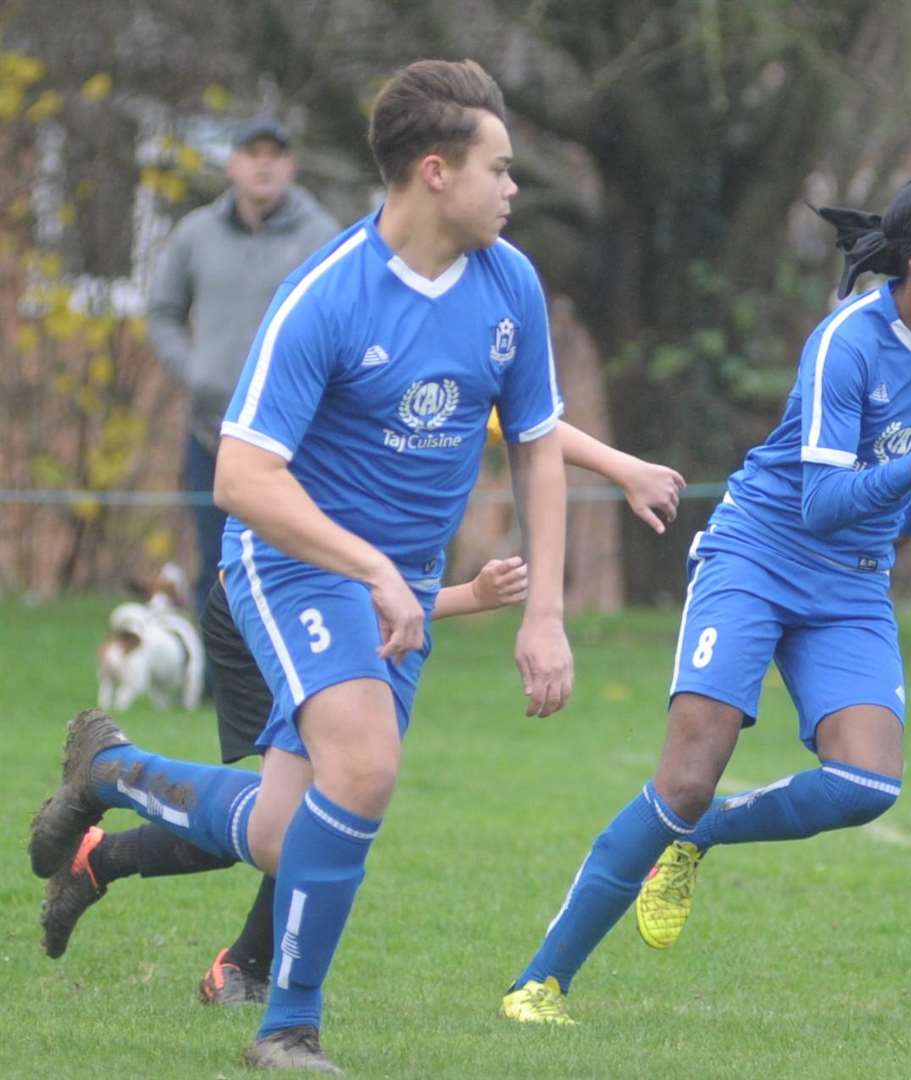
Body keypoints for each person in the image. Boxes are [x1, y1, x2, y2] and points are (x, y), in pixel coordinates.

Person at [28, 59, 573, 1073]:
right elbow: (240, 477)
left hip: (389, 578)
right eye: (500, 168)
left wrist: (544, 612)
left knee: (287, 834)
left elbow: (538, 440)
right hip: (290, 561)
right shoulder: (327, 293)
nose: (514, 189)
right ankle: (288, 1027)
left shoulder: (511, 284)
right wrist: (369, 566)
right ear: (435, 171)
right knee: (363, 769)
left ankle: (111, 771)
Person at [499, 173, 911, 1024]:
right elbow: (820, 500)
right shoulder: (846, 343)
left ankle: (696, 841)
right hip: (759, 551)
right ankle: (540, 982)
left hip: (850, 580)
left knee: (867, 785)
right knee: (687, 778)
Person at [38, 420, 686, 1005]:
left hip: (358, 612)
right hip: (274, 597)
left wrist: (620, 468)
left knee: (307, 814)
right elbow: (347, 581)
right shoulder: (349, 354)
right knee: (298, 820)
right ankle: (122, 791)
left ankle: (125, 867)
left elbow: (527, 425)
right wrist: (469, 594)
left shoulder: (453, 356)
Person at [148, 117, 341, 633]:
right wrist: (194, 371)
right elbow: (162, 312)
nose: (263, 163)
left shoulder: (322, 235)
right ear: (232, 163)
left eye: (274, 154)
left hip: (293, 441)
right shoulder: (195, 234)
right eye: (251, 153)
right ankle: (212, 689)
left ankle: (285, 678)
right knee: (215, 563)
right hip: (211, 432)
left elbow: (344, 324)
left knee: (289, 562)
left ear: (290, 165)